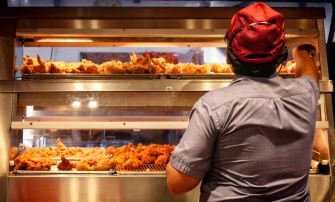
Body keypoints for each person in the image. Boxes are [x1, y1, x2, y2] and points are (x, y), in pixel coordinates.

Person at [166, 2, 319, 201]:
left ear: (229, 57)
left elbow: (178, 183)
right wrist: (300, 52)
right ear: (282, 57)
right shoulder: (306, 94)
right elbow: (310, 72)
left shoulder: (213, 106)